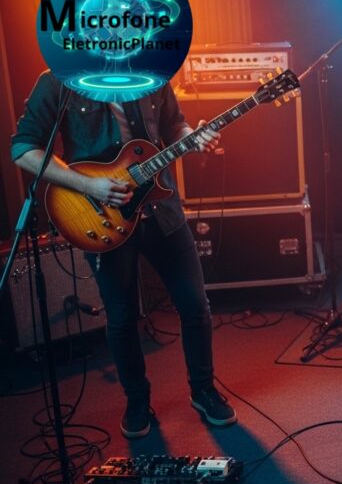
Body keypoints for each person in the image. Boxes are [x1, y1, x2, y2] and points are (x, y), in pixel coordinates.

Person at [11, 71, 235, 439]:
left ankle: (203, 391)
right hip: (103, 215)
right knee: (121, 317)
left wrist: (191, 138)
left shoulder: (152, 72)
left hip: (163, 211)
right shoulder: (59, 80)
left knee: (196, 306)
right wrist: (89, 185)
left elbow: (173, 126)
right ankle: (137, 401)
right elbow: (23, 149)